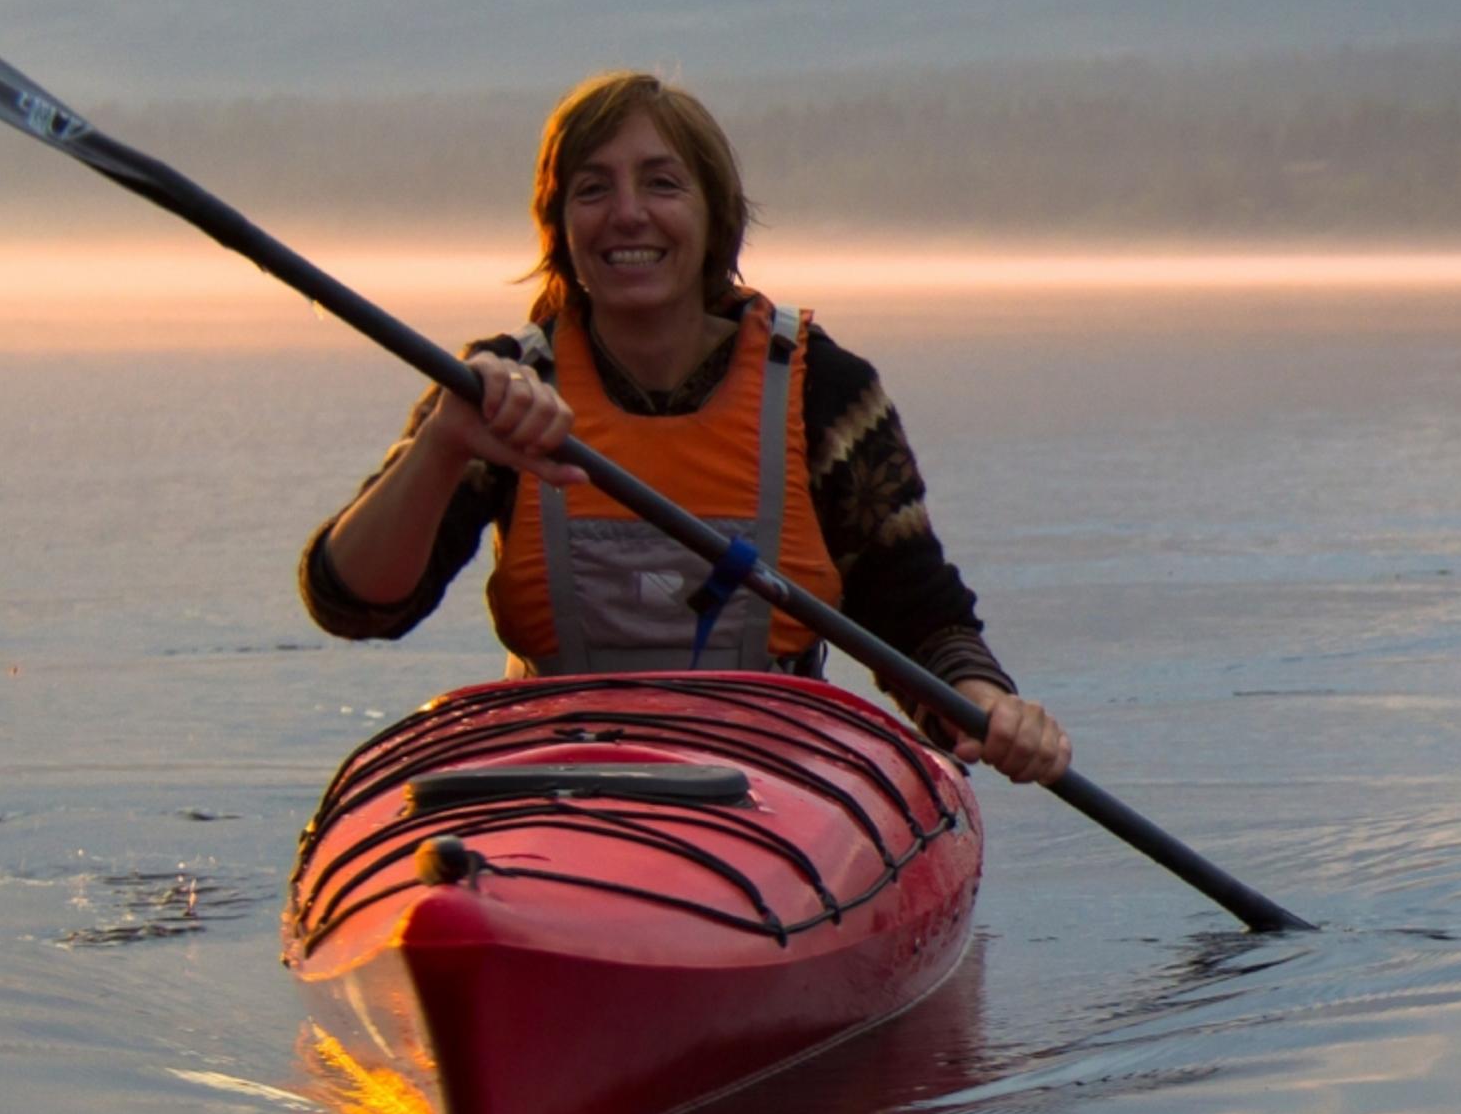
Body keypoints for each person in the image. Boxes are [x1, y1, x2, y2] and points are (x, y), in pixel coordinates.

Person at [299, 71, 1072, 786]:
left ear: (714, 216)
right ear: (559, 223)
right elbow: (357, 604)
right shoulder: (502, 389)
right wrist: (443, 441)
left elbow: (918, 620)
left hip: (779, 786)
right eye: (592, 189)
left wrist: (987, 705)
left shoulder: (826, 393)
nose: (627, 213)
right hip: (559, 785)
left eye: (662, 184)